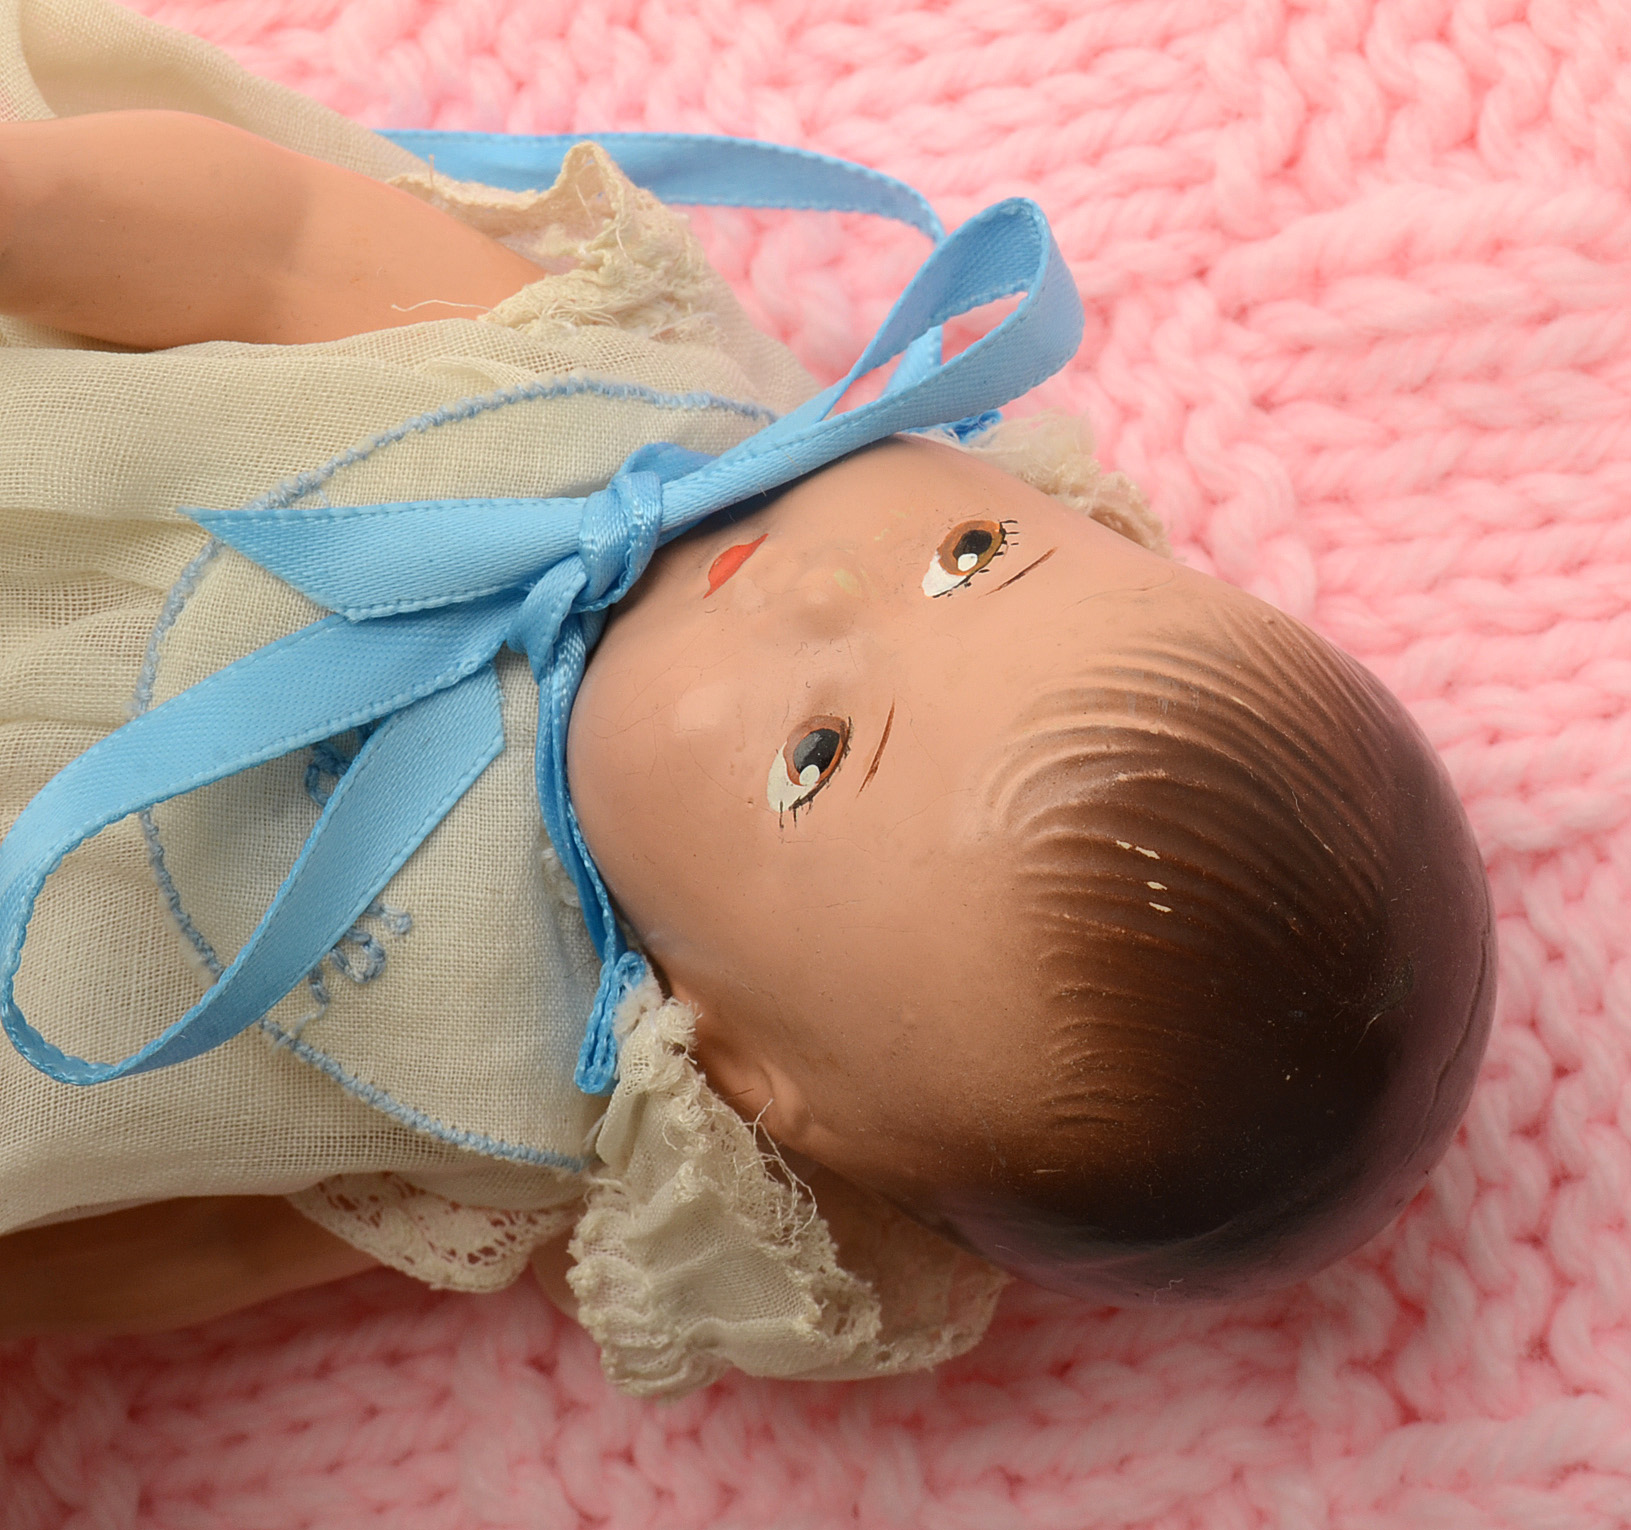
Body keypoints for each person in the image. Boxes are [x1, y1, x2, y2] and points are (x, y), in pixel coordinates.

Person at [0, 1, 1494, 1398]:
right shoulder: (633, 390)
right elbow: (276, 244)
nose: (819, 587)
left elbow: (209, 1237)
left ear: (746, 1072)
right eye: (972, 556)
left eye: (818, 755)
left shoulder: (506, 1099)